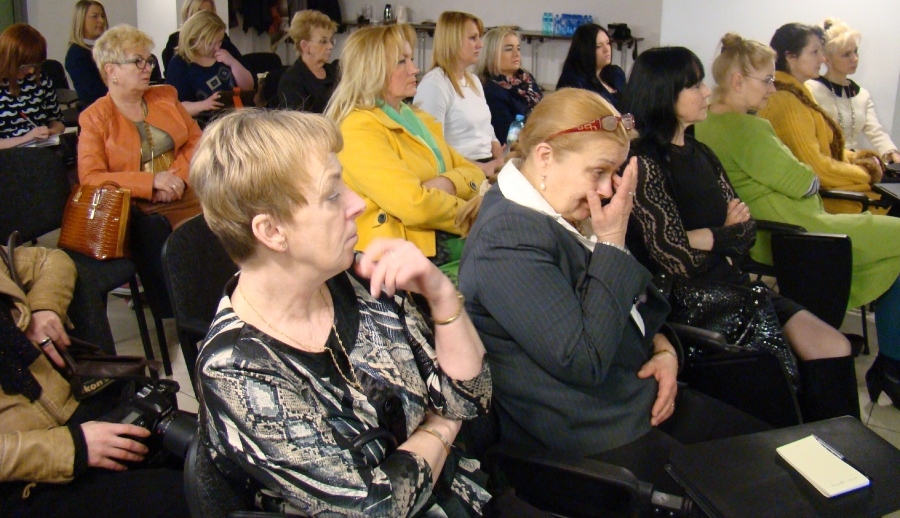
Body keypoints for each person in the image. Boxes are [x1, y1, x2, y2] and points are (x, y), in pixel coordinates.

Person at [190, 109, 519, 517]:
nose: (357, 204)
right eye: (332, 195)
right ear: (272, 231)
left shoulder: (360, 279)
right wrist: (443, 425)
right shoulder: (237, 371)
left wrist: (441, 295)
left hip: (464, 495)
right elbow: (376, 508)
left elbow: (472, 396)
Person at [458, 87, 769, 495]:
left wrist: (664, 348)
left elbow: (642, 304)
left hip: (630, 398)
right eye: (598, 171)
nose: (607, 189)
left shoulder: (554, 214)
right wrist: (611, 243)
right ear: (545, 157)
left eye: (614, 173)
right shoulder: (507, 238)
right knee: (755, 487)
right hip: (590, 435)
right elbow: (583, 359)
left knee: (768, 456)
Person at [623, 46, 859, 422]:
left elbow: (746, 230)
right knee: (783, 377)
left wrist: (705, 236)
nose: (706, 92)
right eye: (695, 85)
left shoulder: (703, 153)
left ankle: (837, 444)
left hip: (737, 287)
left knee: (833, 345)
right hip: (692, 301)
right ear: (665, 94)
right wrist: (723, 235)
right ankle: (802, 436)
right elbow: (675, 257)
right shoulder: (644, 162)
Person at [695, 33, 900, 410]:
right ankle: (893, 364)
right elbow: (804, 180)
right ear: (738, 81)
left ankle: (891, 366)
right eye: (766, 80)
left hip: (762, 233)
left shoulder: (704, 123)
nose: (772, 89)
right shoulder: (750, 129)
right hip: (802, 232)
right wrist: (813, 176)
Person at [0, 245, 188, 518]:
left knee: (210, 457)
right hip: (27, 475)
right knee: (184, 496)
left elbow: (52, 260)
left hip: (75, 412)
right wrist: (74, 447)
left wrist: (45, 307)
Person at [325, 24, 485, 265]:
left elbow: (475, 173)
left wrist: (447, 183)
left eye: (411, 59)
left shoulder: (415, 118)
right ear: (373, 70)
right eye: (402, 61)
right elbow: (415, 206)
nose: (414, 69)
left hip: (443, 239)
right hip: (400, 257)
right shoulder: (357, 127)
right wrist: (473, 214)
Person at [79, 24, 202, 229]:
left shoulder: (166, 96)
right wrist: (151, 182)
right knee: (196, 236)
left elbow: (197, 140)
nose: (148, 68)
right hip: (136, 208)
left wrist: (177, 179)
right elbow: (91, 178)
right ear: (111, 70)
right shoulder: (94, 118)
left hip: (185, 190)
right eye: (138, 61)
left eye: (149, 60)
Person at [759, 23, 885, 215]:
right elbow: (815, 169)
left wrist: (860, 158)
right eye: (815, 52)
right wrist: (865, 172)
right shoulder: (785, 100)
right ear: (790, 57)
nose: (822, 58)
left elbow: (825, 147)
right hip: (817, 202)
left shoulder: (800, 91)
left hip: (829, 192)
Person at [414, 11, 503, 178]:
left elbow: (485, 128)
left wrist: (497, 149)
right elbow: (433, 149)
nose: (480, 44)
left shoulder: (473, 81)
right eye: (473, 38)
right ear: (452, 41)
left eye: (479, 37)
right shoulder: (435, 85)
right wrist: (482, 168)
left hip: (484, 166)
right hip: (459, 172)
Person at [807, 19, 900, 165]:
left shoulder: (861, 95)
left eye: (856, 51)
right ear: (827, 59)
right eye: (846, 54)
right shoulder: (811, 89)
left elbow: (875, 131)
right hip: (823, 163)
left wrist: (891, 152)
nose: (855, 59)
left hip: (854, 164)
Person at [165, 10, 253, 117]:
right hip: (206, 121)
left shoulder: (226, 48)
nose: (217, 48)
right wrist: (204, 105)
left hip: (240, 114)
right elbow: (176, 107)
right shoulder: (179, 63)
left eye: (219, 41)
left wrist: (233, 62)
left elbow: (249, 86)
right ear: (194, 40)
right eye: (210, 43)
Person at [475, 26, 543, 145]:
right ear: (492, 54)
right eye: (508, 49)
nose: (516, 54)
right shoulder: (490, 89)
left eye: (518, 48)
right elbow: (505, 133)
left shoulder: (526, 78)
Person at [0, 24, 64, 149]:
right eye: (24, 66)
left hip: (41, 150)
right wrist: (24, 140)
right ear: (9, 59)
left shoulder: (40, 79)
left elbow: (57, 120)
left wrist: (51, 132)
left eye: (34, 65)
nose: (31, 71)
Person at [276, 9, 338, 113]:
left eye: (331, 41)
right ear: (305, 46)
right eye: (323, 41)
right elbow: (300, 120)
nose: (330, 46)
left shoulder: (334, 72)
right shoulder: (291, 81)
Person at [556, 23, 626, 111]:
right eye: (598, 46)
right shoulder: (573, 82)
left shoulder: (616, 73)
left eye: (608, 43)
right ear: (585, 50)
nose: (606, 50)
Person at [161, 0, 241, 76]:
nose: (203, 18)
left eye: (208, 13)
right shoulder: (175, 40)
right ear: (188, 14)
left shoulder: (222, 38)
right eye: (199, 12)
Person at [65, 0, 109, 108]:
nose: (101, 21)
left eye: (102, 16)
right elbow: (94, 93)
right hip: (97, 111)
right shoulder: (76, 55)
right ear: (81, 20)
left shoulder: (107, 48)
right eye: (95, 16)